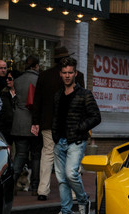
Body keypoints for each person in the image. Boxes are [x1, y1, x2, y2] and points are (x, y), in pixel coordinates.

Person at [49, 56, 101, 214]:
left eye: (70, 72)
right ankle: (65, 213)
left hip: (76, 141)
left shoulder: (85, 94)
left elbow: (96, 117)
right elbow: (55, 117)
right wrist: (55, 135)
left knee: (71, 173)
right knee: (62, 179)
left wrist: (80, 128)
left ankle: (83, 200)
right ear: (60, 74)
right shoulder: (57, 95)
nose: (67, 75)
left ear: (75, 73)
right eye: (64, 73)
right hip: (60, 141)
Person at [31, 46, 86, 201]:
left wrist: (36, 121)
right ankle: (75, 192)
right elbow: (81, 100)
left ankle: (43, 190)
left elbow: (37, 101)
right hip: (70, 123)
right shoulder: (78, 75)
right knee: (72, 155)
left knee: (47, 154)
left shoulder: (44, 76)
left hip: (48, 122)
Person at [12, 56, 41, 196]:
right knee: (36, 156)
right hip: (34, 122)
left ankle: (11, 183)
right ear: (36, 66)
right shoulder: (39, 80)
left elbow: (14, 101)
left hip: (19, 122)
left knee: (20, 154)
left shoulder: (17, 81)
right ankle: (35, 187)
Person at [0, 69, 20, 153]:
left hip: (19, 128)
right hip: (6, 128)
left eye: (10, 79)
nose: (7, 80)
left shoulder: (21, 94)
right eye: (7, 78)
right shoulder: (3, 93)